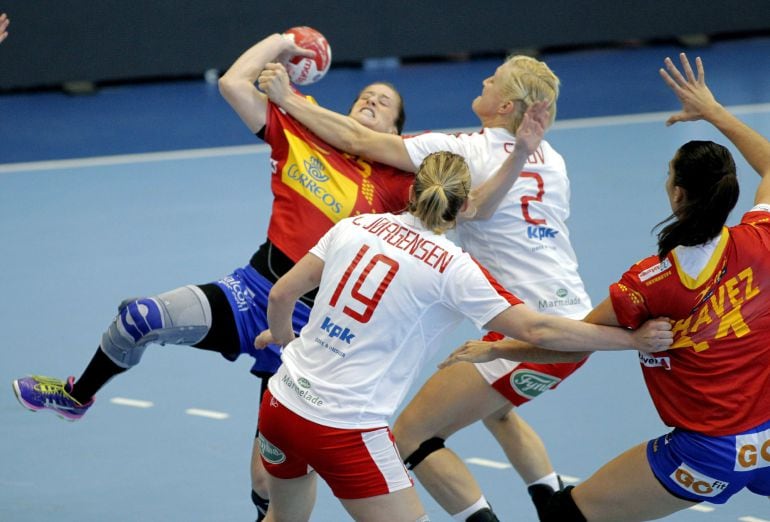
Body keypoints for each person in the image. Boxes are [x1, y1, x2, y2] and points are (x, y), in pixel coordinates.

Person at [11, 31, 416, 521]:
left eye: (384, 102)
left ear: (397, 128)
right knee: (139, 320)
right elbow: (232, 84)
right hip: (250, 292)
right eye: (365, 96)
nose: (371, 100)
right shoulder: (302, 130)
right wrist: (282, 39)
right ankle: (77, 395)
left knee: (269, 483)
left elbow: (452, 202)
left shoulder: (396, 182)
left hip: (308, 334)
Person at [251, 150, 673, 522]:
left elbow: (282, 293)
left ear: (412, 189)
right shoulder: (453, 267)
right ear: (466, 204)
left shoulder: (355, 226)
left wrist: (289, 341)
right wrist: (631, 341)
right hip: (344, 427)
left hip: (280, 403)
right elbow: (537, 328)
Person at [257, 54, 591, 520]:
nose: (483, 78)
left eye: (492, 80)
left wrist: (286, 99)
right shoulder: (551, 158)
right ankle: (549, 497)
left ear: (506, 105)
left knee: (415, 435)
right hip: (572, 309)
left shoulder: (463, 152)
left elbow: (358, 139)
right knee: (492, 408)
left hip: (538, 330)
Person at [439, 53, 770, 521]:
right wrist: (713, 110)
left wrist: (499, 350)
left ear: (675, 194)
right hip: (767, 440)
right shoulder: (762, 240)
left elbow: (570, 344)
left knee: (565, 515)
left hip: (705, 454)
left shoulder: (650, 283)